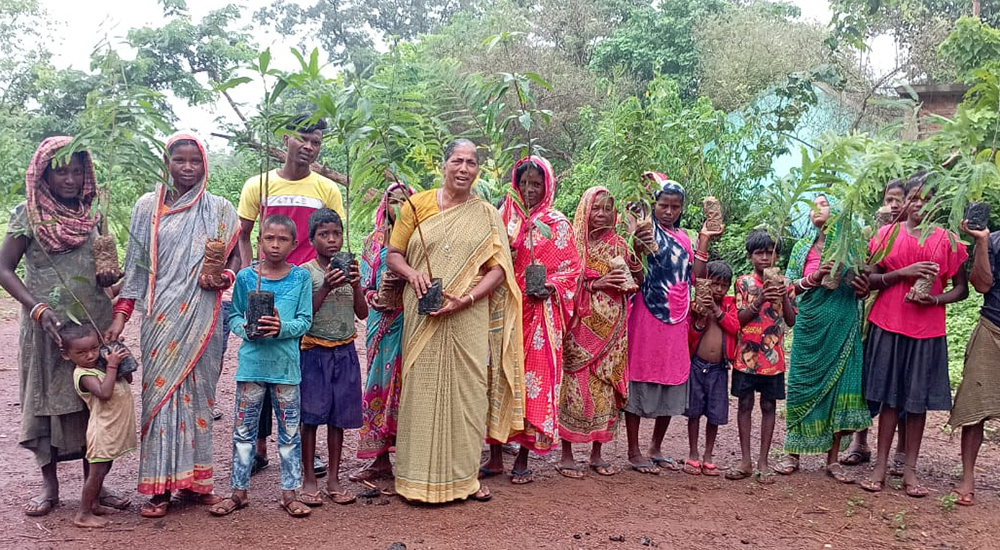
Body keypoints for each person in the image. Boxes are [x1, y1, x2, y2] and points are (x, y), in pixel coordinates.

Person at [106, 133, 240, 517]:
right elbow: (135, 266)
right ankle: (160, 488)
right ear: (167, 163)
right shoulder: (147, 207)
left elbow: (235, 261)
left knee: (200, 400)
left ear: (205, 165)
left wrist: (225, 279)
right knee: (160, 400)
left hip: (203, 314)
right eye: (179, 161)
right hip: (161, 318)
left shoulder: (220, 210)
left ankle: (197, 484)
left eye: (194, 162)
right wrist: (122, 315)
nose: (186, 169)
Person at [386, 138, 523, 503]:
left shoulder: (486, 215)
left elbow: (498, 270)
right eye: (457, 161)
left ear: (478, 169)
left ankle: (464, 480)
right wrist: (413, 274)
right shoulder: (417, 206)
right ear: (444, 165)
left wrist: (466, 298)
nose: (464, 169)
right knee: (422, 391)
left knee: (468, 393)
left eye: (472, 162)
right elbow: (393, 255)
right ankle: (415, 481)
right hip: (423, 311)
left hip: (468, 314)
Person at [0, 136, 126, 517]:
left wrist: (115, 280)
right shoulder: (28, 214)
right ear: (44, 175)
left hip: (92, 324)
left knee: (96, 407)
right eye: (60, 172)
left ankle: (96, 488)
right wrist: (36, 308)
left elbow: (103, 269)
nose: (69, 180)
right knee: (46, 404)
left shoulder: (93, 215)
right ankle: (49, 485)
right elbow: (4, 269)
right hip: (48, 327)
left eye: (76, 171)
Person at [237, 115, 345, 476]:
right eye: (303, 139)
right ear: (286, 138)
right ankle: (259, 447)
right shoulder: (258, 184)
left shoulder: (327, 188)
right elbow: (243, 233)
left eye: (316, 141)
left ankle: (300, 446)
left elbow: (331, 233)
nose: (309, 147)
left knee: (298, 367)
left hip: (306, 285)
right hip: (264, 284)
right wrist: (248, 275)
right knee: (262, 356)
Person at [860, 175, 968, 496]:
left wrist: (934, 299)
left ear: (935, 202)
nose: (919, 204)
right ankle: (880, 468)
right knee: (889, 399)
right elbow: (870, 278)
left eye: (927, 198)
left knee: (916, 401)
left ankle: (909, 472)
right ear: (903, 201)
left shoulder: (947, 240)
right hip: (888, 323)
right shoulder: (886, 235)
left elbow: (961, 289)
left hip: (927, 329)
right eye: (914, 198)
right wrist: (901, 274)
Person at [482, 156, 581, 484]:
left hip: (539, 315)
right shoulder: (501, 217)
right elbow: (486, 258)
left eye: (536, 184)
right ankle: (495, 456)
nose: (529, 190)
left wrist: (549, 285)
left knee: (530, 382)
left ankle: (522, 455)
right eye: (523, 183)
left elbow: (571, 269)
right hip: (505, 311)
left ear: (547, 186)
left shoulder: (556, 223)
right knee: (498, 378)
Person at [211, 214, 314, 517]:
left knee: (289, 432)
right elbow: (233, 317)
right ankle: (238, 492)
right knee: (243, 430)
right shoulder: (245, 277)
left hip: (286, 368)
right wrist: (249, 329)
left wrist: (282, 327)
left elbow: (305, 321)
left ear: (294, 244)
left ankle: (290, 493)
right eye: (269, 238)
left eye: (282, 239)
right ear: (259, 242)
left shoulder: (300, 278)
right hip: (252, 366)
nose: (275, 244)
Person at [624, 174, 718, 474]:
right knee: (639, 373)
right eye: (663, 205)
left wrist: (703, 240)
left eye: (675, 207)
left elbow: (696, 276)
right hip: (646, 312)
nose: (668, 211)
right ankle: (633, 449)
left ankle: (656, 446)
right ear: (654, 204)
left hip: (677, 317)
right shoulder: (645, 230)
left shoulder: (683, 239)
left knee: (672, 376)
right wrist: (637, 245)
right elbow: (631, 266)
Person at [781, 194, 872, 484]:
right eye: (812, 206)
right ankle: (791, 454)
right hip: (809, 327)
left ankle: (832, 460)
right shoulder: (800, 249)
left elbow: (863, 284)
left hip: (842, 326)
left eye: (822, 204)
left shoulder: (854, 247)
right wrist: (815, 278)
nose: (815, 210)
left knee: (837, 390)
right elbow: (789, 287)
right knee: (799, 386)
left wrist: (862, 289)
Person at [557, 188, 640, 478]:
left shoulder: (619, 245)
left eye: (607, 209)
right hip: (579, 326)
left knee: (604, 385)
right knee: (573, 384)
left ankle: (596, 453)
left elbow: (635, 281)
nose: (602, 214)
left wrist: (636, 255)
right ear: (585, 210)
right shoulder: (572, 245)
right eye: (596, 208)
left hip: (613, 328)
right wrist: (597, 283)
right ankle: (566, 453)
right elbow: (563, 281)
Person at [298, 209, 367, 506]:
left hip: (345, 351)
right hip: (314, 351)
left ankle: (334, 479)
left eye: (336, 234)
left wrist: (354, 283)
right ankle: (309, 478)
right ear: (312, 239)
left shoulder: (352, 270)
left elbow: (362, 313)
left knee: (338, 419)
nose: (332, 240)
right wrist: (326, 285)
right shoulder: (306, 273)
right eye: (324, 234)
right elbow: (304, 316)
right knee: (311, 417)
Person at [842, 179, 908, 471]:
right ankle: (861, 441)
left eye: (900, 199)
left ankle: (903, 449)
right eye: (889, 199)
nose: (894, 205)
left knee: (906, 385)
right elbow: (861, 271)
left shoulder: (921, 235)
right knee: (866, 380)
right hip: (871, 316)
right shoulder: (872, 234)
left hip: (907, 316)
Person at [353, 183, 413, 481]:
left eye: (405, 201)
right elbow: (366, 280)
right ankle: (378, 460)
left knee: (407, 385)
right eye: (393, 201)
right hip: (380, 321)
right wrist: (372, 296)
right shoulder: (372, 241)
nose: (398, 207)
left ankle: (407, 460)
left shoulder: (418, 240)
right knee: (377, 382)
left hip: (408, 321)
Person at [727, 229, 796, 483]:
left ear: (776, 255)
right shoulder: (743, 283)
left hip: (772, 359)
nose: (765, 258)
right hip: (746, 356)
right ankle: (745, 460)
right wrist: (760, 299)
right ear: (750, 257)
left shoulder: (786, 283)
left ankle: (763, 461)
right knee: (744, 404)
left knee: (769, 406)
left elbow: (790, 321)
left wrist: (781, 298)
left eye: (770, 252)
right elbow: (739, 320)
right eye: (759, 253)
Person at [63, 324, 136, 528]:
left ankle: (94, 504)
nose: (90, 355)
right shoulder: (83, 374)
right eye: (81, 352)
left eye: (94, 348)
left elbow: (128, 378)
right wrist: (112, 366)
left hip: (114, 428)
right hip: (102, 430)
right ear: (66, 355)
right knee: (96, 472)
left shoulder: (100, 364)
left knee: (105, 468)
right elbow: (104, 393)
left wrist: (119, 358)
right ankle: (83, 513)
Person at [949, 217, 999, 506]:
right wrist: (980, 242)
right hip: (992, 328)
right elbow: (981, 285)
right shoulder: (992, 241)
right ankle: (967, 478)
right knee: (974, 408)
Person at [683, 260, 739, 477]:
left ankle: (708, 455)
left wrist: (716, 310)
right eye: (714, 284)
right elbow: (689, 337)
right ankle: (693, 453)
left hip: (719, 368)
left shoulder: (728, 304)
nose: (718, 289)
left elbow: (734, 328)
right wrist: (700, 320)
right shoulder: (696, 305)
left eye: (723, 286)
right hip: (697, 366)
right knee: (694, 412)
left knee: (714, 414)